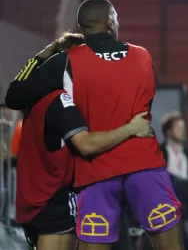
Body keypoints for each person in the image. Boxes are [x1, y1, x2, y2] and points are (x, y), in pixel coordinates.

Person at [5, 0, 183, 250]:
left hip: (95, 172)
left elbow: (14, 96)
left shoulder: (66, 62)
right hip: (144, 165)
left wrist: (43, 56)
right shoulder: (142, 56)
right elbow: (144, 105)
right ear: (110, 22)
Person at [13, 33, 154, 250]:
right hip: (55, 203)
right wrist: (131, 128)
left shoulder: (35, 100)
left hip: (35, 202)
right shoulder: (60, 101)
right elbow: (85, 145)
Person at [160, 112, 188, 250]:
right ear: (169, 132)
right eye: (178, 128)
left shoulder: (185, 153)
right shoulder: (160, 152)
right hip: (169, 201)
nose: (182, 132)